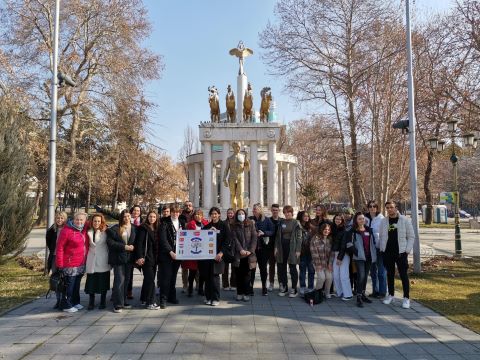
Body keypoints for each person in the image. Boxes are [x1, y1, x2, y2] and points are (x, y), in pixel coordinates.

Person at [379, 200, 415, 309]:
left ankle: (406, 298)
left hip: (401, 253)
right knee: (389, 274)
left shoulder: (404, 220)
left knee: (403, 275)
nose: (389, 209)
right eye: (387, 208)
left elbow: (411, 236)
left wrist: (407, 251)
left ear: (396, 208)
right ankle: (391, 295)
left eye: (391, 207)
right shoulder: (384, 221)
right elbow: (381, 236)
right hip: (388, 252)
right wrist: (382, 249)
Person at [55, 212, 89, 313]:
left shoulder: (83, 229)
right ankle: (66, 304)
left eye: (81, 220)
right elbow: (60, 248)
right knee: (69, 285)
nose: (79, 222)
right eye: (77, 219)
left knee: (77, 284)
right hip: (69, 264)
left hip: (81, 263)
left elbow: (93, 222)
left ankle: (75, 302)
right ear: (73, 220)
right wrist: (60, 265)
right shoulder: (66, 231)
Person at [107, 209, 137, 313]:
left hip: (129, 259)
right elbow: (110, 243)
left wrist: (134, 247)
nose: (127, 218)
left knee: (126, 280)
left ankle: (123, 301)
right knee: (119, 280)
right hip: (118, 258)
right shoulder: (115, 228)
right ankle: (117, 304)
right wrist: (124, 247)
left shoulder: (134, 228)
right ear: (121, 218)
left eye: (128, 216)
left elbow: (137, 242)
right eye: (124, 216)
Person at [158, 205, 186, 308]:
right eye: (173, 212)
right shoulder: (164, 223)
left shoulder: (182, 223)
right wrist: (170, 251)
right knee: (166, 277)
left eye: (177, 212)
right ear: (171, 213)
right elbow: (163, 239)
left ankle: (171, 296)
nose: (175, 214)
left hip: (178, 254)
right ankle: (163, 299)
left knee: (173, 276)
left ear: (179, 213)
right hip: (167, 254)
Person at [347, 212, 377, 308]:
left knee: (365, 277)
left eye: (363, 218)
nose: (362, 220)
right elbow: (349, 244)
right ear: (356, 220)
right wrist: (357, 253)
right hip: (359, 257)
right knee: (361, 276)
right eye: (359, 219)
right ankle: (359, 297)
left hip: (369, 257)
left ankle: (363, 294)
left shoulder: (369, 230)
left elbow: (373, 242)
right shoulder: (353, 231)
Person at [202, 207, 229, 305]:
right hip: (207, 255)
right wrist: (208, 231)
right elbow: (202, 238)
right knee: (207, 277)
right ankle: (208, 297)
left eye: (215, 214)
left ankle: (216, 298)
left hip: (218, 254)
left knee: (215, 277)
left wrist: (221, 253)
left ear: (219, 215)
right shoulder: (207, 226)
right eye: (212, 214)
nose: (214, 215)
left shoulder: (224, 225)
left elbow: (227, 240)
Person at [274, 205, 302, 298]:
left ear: (292, 212)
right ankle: (284, 287)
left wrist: (298, 250)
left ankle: (294, 289)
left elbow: (299, 237)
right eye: (285, 212)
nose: (287, 214)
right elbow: (278, 236)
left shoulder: (296, 223)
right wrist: (276, 247)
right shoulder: (281, 222)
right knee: (281, 268)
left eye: (288, 212)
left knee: (293, 268)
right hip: (282, 248)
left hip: (292, 248)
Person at [85, 213, 110, 310]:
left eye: (99, 221)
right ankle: (91, 301)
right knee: (91, 281)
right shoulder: (88, 231)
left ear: (102, 222)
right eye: (95, 221)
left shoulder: (106, 231)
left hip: (103, 258)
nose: (96, 223)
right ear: (92, 221)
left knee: (103, 280)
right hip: (91, 258)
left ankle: (103, 301)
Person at [231, 208, 257, 301]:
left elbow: (254, 237)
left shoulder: (251, 224)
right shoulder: (234, 225)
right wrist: (240, 249)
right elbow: (234, 239)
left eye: (242, 214)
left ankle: (246, 293)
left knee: (247, 275)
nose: (241, 215)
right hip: (238, 255)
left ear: (245, 215)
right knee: (238, 275)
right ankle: (239, 293)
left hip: (249, 255)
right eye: (239, 214)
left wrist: (250, 250)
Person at [135, 210, 159, 310]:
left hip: (154, 258)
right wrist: (139, 257)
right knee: (150, 280)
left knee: (148, 279)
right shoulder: (143, 228)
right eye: (150, 217)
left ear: (156, 218)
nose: (152, 218)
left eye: (154, 217)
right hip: (146, 258)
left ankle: (144, 299)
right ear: (147, 217)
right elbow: (139, 244)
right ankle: (150, 302)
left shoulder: (157, 228)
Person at [249, 204, 274, 296]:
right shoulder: (249, 219)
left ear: (260, 210)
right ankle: (250, 287)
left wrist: (264, 233)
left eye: (255, 209)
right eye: (253, 209)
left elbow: (272, 231)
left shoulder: (266, 220)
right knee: (252, 268)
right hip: (252, 249)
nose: (254, 210)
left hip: (263, 248)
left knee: (263, 269)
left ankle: (264, 287)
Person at [46, 211, 68, 309]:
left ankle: (65, 299)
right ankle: (58, 300)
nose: (59, 220)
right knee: (56, 280)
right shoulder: (52, 230)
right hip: (54, 257)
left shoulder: (68, 229)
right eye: (58, 218)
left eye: (62, 218)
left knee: (65, 280)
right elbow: (49, 243)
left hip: (65, 257)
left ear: (65, 219)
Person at [184, 209, 208, 297]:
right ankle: (190, 289)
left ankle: (200, 288)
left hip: (203, 252)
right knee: (192, 272)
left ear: (202, 216)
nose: (198, 216)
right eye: (196, 215)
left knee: (202, 272)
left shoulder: (206, 224)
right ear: (194, 216)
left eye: (200, 214)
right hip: (193, 252)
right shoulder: (190, 224)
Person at [365, 200, 386, 298]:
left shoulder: (381, 219)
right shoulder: (365, 218)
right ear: (368, 207)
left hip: (380, 248)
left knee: (381, 271)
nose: (372, 208)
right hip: (369, 248)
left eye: (374, 206)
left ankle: (382, 292)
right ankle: (375, 291)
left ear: (377, 208)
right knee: (373, 271)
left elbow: (385, 234)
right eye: (370, 206)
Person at [310, 223, 334, 299]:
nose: (326, 231)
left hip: (327, 263)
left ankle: (326, 293)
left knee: (329, 277)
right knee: (322, 277)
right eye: (325, 229)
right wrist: (318, 264)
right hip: (318, 262)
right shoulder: (315, 238)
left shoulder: (330, 239)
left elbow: (332, 253)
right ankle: (318, 292)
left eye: (328, 230)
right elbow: (314, 252)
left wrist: (330, 264)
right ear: (322, 230)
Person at [332, 214, 353, 300]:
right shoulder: (333, 229)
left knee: (344, 275)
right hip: (335, 254)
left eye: (340, 219)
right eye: (336, 219)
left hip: (343, 254)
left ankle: (348, 294)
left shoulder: (344, 230)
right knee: (335, 275)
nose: (338, 220)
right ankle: (340, 292)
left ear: (342, 221)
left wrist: (340, 258)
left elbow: (343, 245)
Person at [296, 211, 314, 296]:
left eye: (308, 216)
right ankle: (302, 287)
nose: (306, 217)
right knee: (302, 270)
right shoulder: (298, 226)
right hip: (302, 252)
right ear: (300, 217)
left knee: (311, 270)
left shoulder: (311, 226)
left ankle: (310, 287)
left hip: (310, 252)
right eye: (304, 216)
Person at [127, 205, 142, 300]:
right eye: (135, 210)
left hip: (139, 250)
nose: (136, 212)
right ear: (131, 211)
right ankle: (128, 291)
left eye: (138, 210)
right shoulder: (127, 219)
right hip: (129, 249)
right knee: (128, 272)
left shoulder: (143, 221)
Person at [179, 201, 194, 293]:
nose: (188, 207)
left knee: (195, 265)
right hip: (184, 243)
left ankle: (197, 284)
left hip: (195, 242)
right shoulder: (181, 216)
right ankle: (185, 285)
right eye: (186, 205)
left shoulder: (196, 215)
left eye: (190, 205)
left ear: (192, 207)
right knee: (184, 266)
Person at [222, 208, 237, 291]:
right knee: (225, 267)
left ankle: (233, 284)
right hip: (226, 246)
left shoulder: (237, 223)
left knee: (234, 266)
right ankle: (225, 284)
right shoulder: (224, 223)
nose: (230, 215)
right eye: (229, 213)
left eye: (231, 213)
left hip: (235, 247)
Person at [267, 204, 281, 291]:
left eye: (276, 210)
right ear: (271, 211)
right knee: (271, 266)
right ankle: (271, 283)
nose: (275, 211)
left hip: (280, 247)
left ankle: (281, 283)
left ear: (279, 211)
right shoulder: (268, 220)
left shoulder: (282, 221)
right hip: (270, 246)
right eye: (273, 210)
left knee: (280, 266)